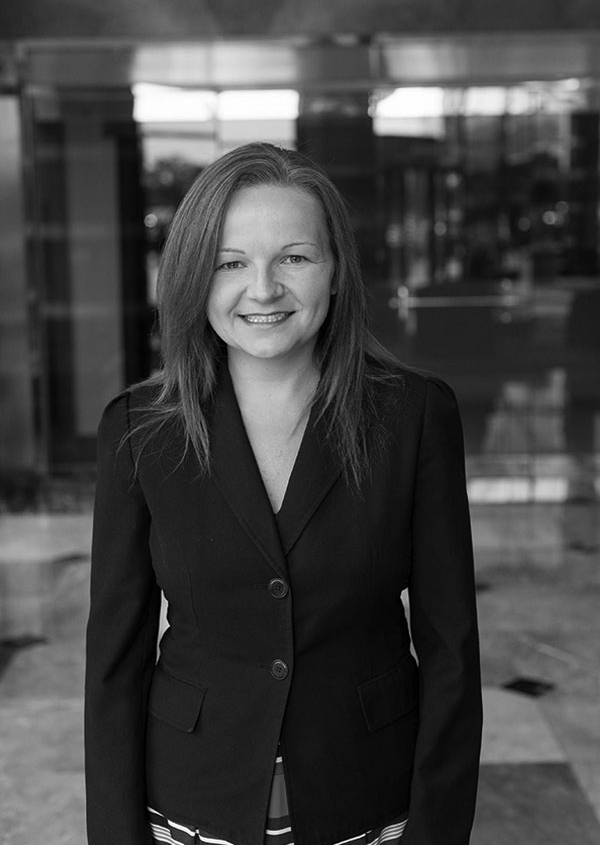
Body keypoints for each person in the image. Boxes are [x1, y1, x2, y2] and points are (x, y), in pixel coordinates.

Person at [84, 142, 482, 845]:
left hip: (367, 786)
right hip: (193, 791)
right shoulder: (139, 429)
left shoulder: (414, 416)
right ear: (192, 279)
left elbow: (451, 647)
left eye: (294, 257)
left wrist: (438, 830)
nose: (262, 289)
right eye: (230, 262)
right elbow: (114, 661)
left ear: (335, 273)